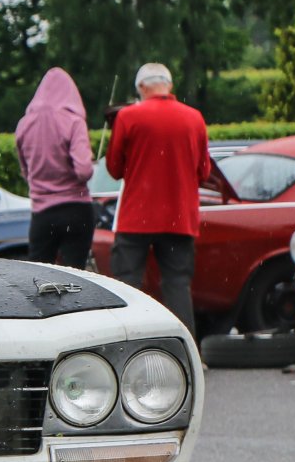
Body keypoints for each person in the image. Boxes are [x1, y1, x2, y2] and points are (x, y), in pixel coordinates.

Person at [105, 62, 210, 335]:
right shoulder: (194, 118)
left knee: (127, 284)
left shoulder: (128, 117)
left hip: (136, 216)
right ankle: (187, 352)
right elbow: (204, 171)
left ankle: (127, 344)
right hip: (179, 217)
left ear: (141, 88)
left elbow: (115, 169)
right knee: (177, 284)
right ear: (169, 85)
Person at [15, 67, 96, 268]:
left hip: (42, 215)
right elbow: (84, 171)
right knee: (76, 277)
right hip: (76, 211)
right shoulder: (74, 122)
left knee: (39, 277)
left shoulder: (24, 125)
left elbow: (26, 171)